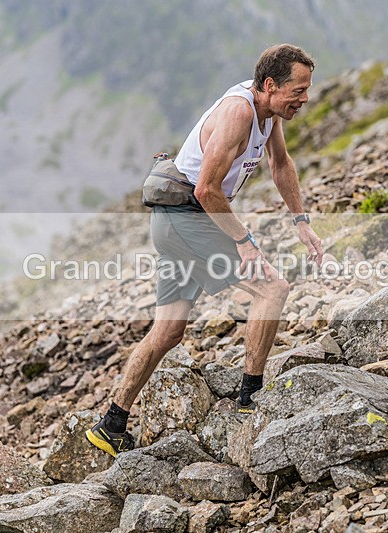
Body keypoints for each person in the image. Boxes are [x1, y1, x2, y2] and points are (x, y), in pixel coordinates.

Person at [86, 44, 324, 457]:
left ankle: (111, 424)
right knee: (272, 289)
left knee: (168, 331)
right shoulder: (239, 114)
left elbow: (281, 165)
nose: (304, 99)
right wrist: (244, 242)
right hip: (187, 219)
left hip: (177, 221)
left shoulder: (267, 114)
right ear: (270, 85)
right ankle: (250, 400)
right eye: (298, 91)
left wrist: (301, 221)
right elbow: (207, 189)